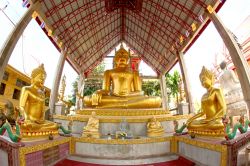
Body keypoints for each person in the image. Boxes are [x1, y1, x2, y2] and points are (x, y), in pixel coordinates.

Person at [84, 45, 161, 108]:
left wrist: (128, 95)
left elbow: (139, 92)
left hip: (130, 97)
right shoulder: (108, 72)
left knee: (157, 100)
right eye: (119, 55)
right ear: (115, 59)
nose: (122, 57)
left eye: (125, 55)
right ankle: (124, 105)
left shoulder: (134, 72)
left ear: (128, 59)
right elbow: (106, 90)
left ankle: (115, 106)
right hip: (114, 98)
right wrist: (98, 92)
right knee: (88, 99)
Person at [186, 66, 226, 136]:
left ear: (210, 79)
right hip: (206, 121)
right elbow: (202, 112)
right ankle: (207, 129)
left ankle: (212, 129)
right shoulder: (203, 96)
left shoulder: (217, 91)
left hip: (215, 120)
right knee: (190, 124)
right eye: (201, 81)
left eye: (204, 79)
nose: (202, 82)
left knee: (215, 125)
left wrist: (213, 119)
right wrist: (191, 119)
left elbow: (223, 108)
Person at [19, 64, 58, 133]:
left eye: (44, 79)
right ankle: (39, 130)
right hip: (29, 120)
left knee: (55, 126)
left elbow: (42, 109)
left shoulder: (42, 93)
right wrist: (26, 118)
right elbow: (21, 106)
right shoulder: (27, 89)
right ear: (33, 77)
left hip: (39, 122)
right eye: (40, 77)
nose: (42, 80)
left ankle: (38, 129)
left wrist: (42, 118)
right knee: (28, 126)